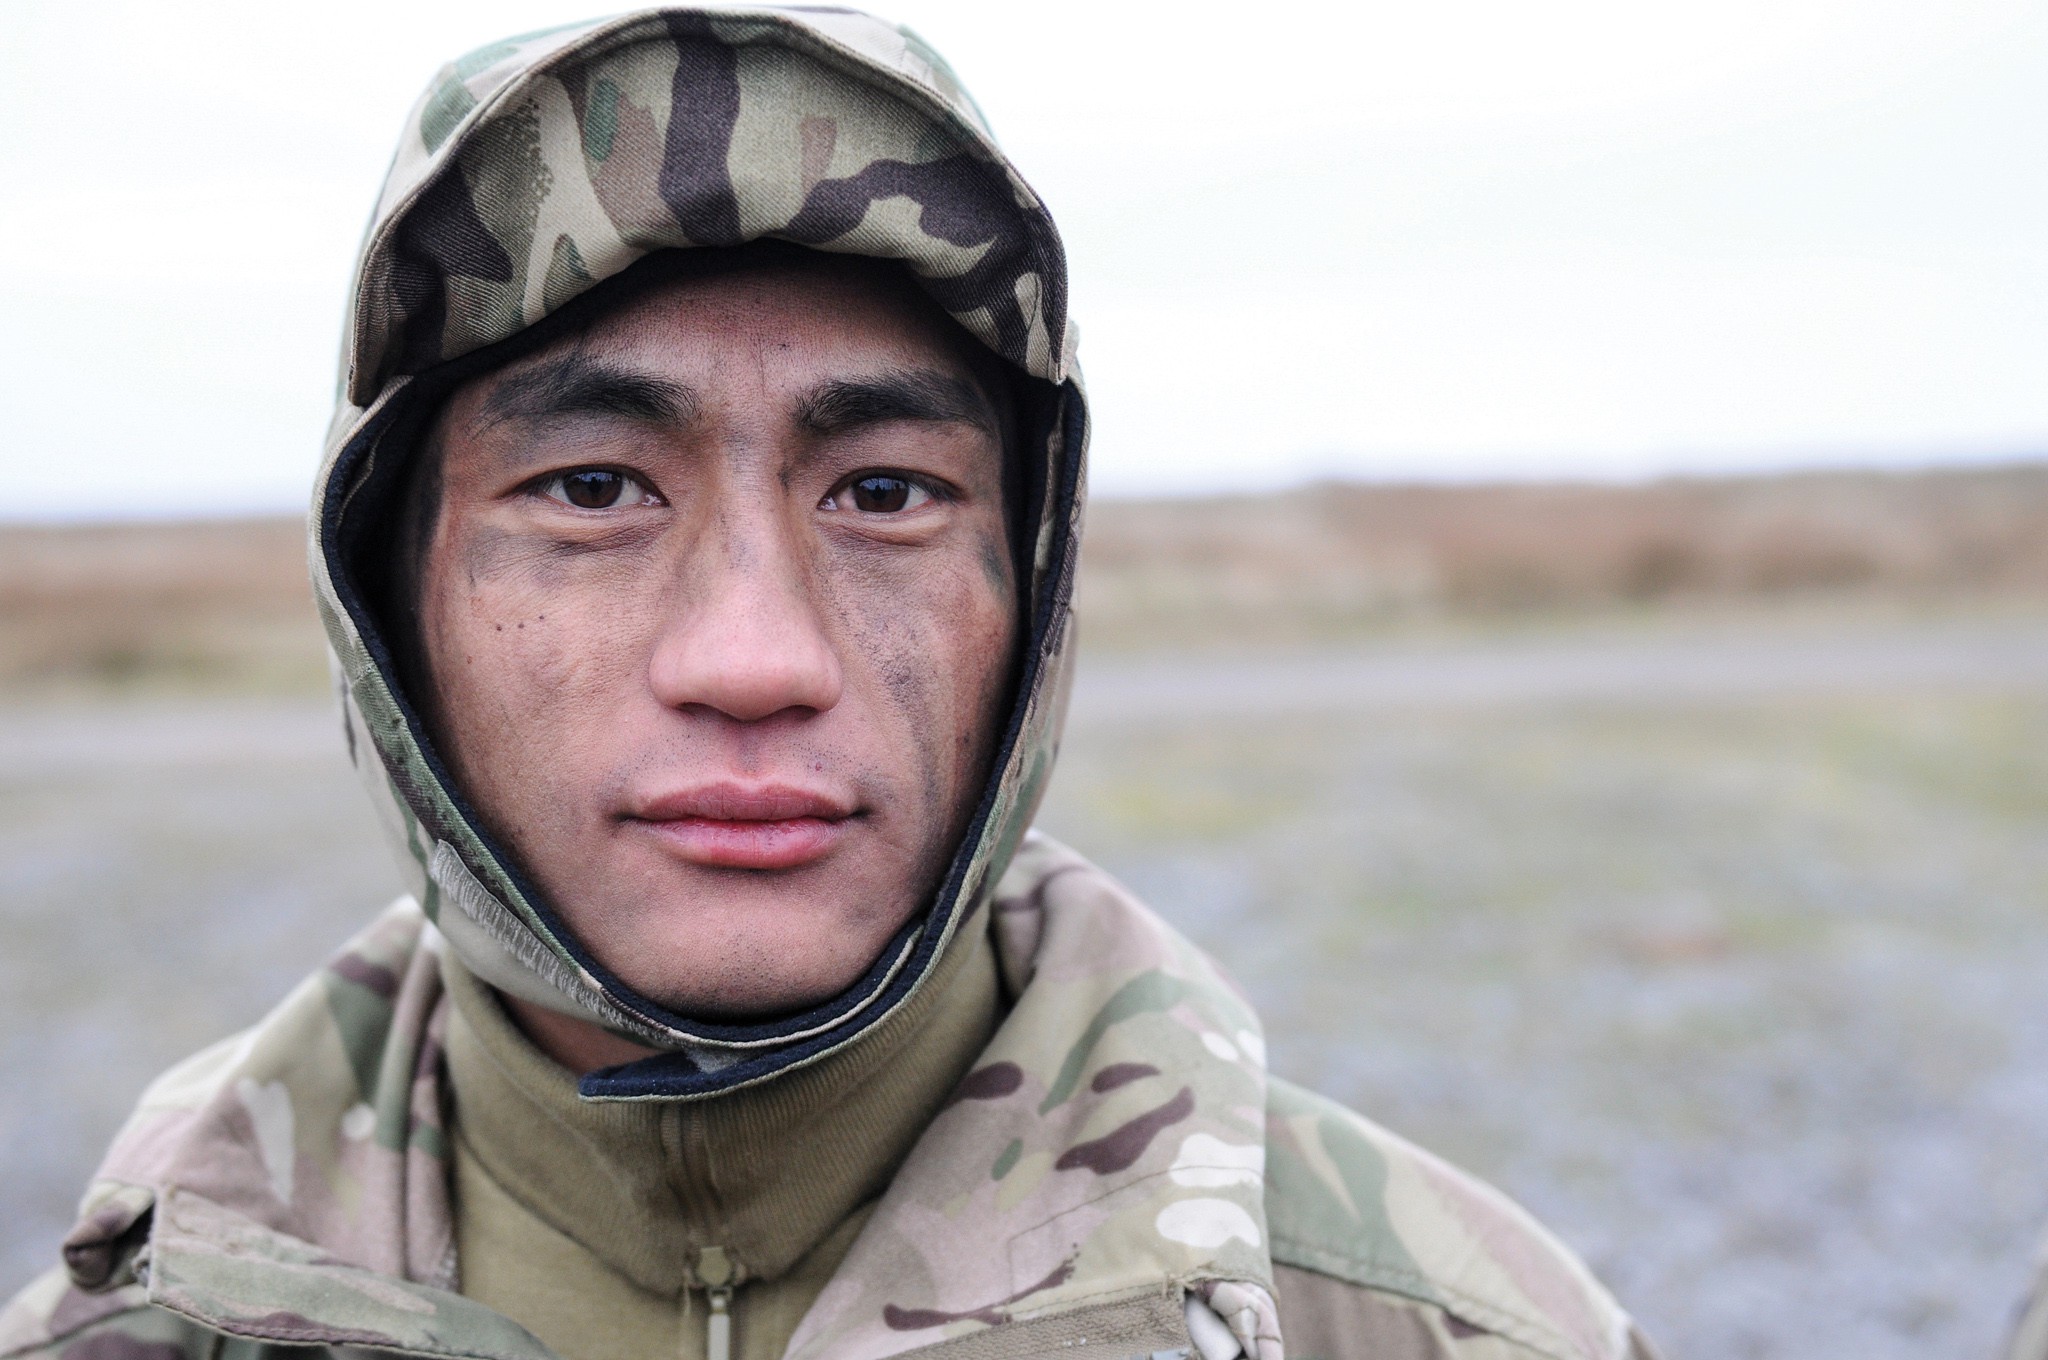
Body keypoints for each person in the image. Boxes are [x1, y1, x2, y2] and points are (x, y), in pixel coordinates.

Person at [0, 9, 1658, 1360]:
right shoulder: (135, 1326)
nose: (756, 659)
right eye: (590, 489)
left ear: (1032, 589)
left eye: (883, 493)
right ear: (388, 596)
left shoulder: (1437, 1331)